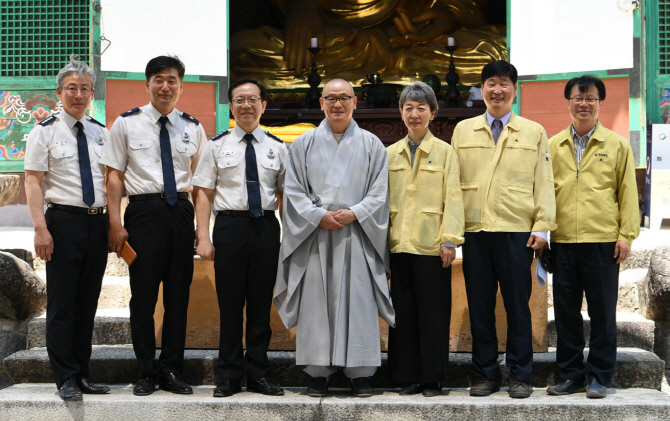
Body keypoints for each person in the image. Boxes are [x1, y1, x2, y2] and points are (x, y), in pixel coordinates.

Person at [274, 78, 395, 397]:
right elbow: (294, 191)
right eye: (331, 98)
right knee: (317, 302)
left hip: (357, 232)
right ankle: (317, 371)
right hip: (316, 234)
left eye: (344, 98)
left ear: (356, 102)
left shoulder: (372, 145)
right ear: (321, 103)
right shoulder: (303, 144)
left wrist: (354, 212)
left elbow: (380, 192)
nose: (337, 104)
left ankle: (360, 371)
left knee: (358, 300)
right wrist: (317, 216)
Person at [100, 55, 206, 396]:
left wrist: (202, 231)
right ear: (147, 84)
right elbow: (114, 177)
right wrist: (115, 224)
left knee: (178, 296)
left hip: (180, 215)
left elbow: (202, 184)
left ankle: (172, 369)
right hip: (143, 214)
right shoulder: (126, 124)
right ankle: (146, 370)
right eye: (158, 79)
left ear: (180, 85)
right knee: (143, 297)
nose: (165, 86)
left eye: (172, 80)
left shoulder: (193, 127)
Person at [451, 60, 556, 399]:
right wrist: (452, 233)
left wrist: (542, 228)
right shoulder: (463, 131)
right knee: (480, 306)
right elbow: (453, 186)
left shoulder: (533, 132)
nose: (497, 90)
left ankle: (520, 376)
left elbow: (544, 182)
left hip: (516, 232)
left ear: (514, 89)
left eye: (504, 84)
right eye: (490, 84)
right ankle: (484, 375)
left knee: (517, 306)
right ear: (481, 89)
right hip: (476, 231)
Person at [193, 78, 288, 398]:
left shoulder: (277, 147)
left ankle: (259, 373)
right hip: (230, 229)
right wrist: (203, 237)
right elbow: (203, 193)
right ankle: (230, 375)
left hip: (265, 229)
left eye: (253, 99)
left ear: (263, 104)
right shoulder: (217, 145)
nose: (246, 105)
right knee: (231, 305)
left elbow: (284, 195)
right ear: (231, 106)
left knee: (261, 306)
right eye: (239, 100)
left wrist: (288, 235)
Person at [546, 75, 639, 399]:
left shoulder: (616, 145)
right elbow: (544, 193)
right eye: (577, 98)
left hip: (601, 241)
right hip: (564, 242)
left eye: (590, 99)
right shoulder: (553, 145)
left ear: (600, 103)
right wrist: (545, 233)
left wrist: (625, 235)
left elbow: (627, 193)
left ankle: (600, 376)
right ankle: (571, 375)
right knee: (566, 314)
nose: (583, 104)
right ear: (568, 102)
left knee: (602, 313)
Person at [24, 55, 111, 401]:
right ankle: (65, 378)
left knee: (88, 302)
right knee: (62, 304)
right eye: (71, 88)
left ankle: (83, 373)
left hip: (97, 222)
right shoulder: (43, 132)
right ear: (59, 92)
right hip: (62, 222)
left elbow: (111, 180)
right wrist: (40, 229)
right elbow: (33, 182)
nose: (78, 94)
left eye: (85, 89)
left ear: (92, 93)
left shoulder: (102, 133)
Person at [386, 82, 464, 397]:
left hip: (432, 246)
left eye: (421, 108)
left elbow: (454, 198)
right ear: (401, 112)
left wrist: (450, 239)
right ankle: (407, 375)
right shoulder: (390, 153)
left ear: (432, 113)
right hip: (398, 243)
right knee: (402, 314)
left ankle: (432, 378)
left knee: (433, 314)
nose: (414, 114)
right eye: (408, 107)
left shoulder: (446, 153)